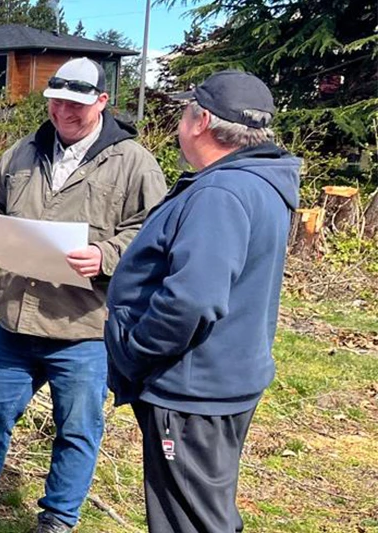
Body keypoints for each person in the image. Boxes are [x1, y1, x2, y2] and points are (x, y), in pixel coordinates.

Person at [0, 57, 166, 533]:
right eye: (55, 103)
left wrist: (106, 255)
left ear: (101, 102)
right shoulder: (23, 152)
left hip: (83, 329)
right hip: (15, 323)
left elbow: (152, 233)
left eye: (75, 105)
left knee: (76, 429)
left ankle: (58, 518)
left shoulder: (133, 162)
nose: (62, 114)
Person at [104, 70, 301, 532]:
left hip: (192, 392)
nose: (180, 122)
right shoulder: (257, 181)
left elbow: (192, 300)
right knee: (205, 512)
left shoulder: (221, 192)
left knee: (187, 521)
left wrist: (136, 353)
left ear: (201, 120)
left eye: (184, 111)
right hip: (217, 382)